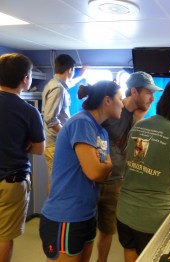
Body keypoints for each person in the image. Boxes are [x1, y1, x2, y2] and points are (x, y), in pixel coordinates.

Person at [39, 80, 123, 262]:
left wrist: (104, 168)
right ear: (107, 100)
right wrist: (106, 166)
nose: (122, 104)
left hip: (86, 213)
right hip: (66, 216)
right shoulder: (82, 123)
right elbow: (95, 172)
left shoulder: (101, 132)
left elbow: (102, 171)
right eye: (120, 98)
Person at [116, 79, 170, 262]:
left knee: (131, 251)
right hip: (154, 220)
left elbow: (136, 163)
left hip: (125, 212)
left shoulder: (140, 126)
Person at [97, 71, 163, 262]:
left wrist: (139, 119)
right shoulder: (111, 110)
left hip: (116, 180)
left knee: (107, 230)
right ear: (134, 92)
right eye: (148, 93)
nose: (152, 98)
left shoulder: (139, 116)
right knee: (84, 230)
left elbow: (136, 152)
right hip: (93, 178)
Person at [0, 53, 45, 262]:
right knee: (4, 236)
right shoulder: (28, 111)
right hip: (11, 181)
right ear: (25, 79)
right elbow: (38, 149)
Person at [41, 54, 76, 193]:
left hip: (54, 143)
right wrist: (66, 136)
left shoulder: (54, 84)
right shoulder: (58, 89)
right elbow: (50, 118)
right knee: (60, 184)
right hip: (56, 144)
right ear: (70, 70)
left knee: (55, 180)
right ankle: (53, 214)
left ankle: (51, 213)